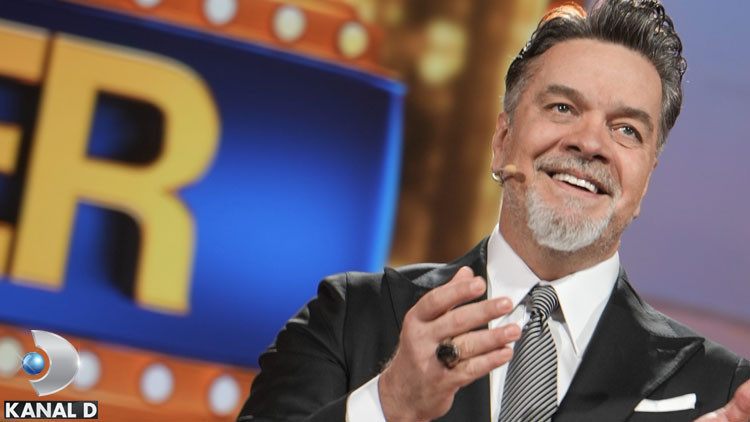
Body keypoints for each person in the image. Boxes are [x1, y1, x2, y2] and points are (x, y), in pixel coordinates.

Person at [237, 0, 750, 421]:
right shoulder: (350, 317)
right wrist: (388, 405)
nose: (591, 143)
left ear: (646, 180)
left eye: (626, 130)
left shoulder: (719, 389)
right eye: (563, 108)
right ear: (502, 139)